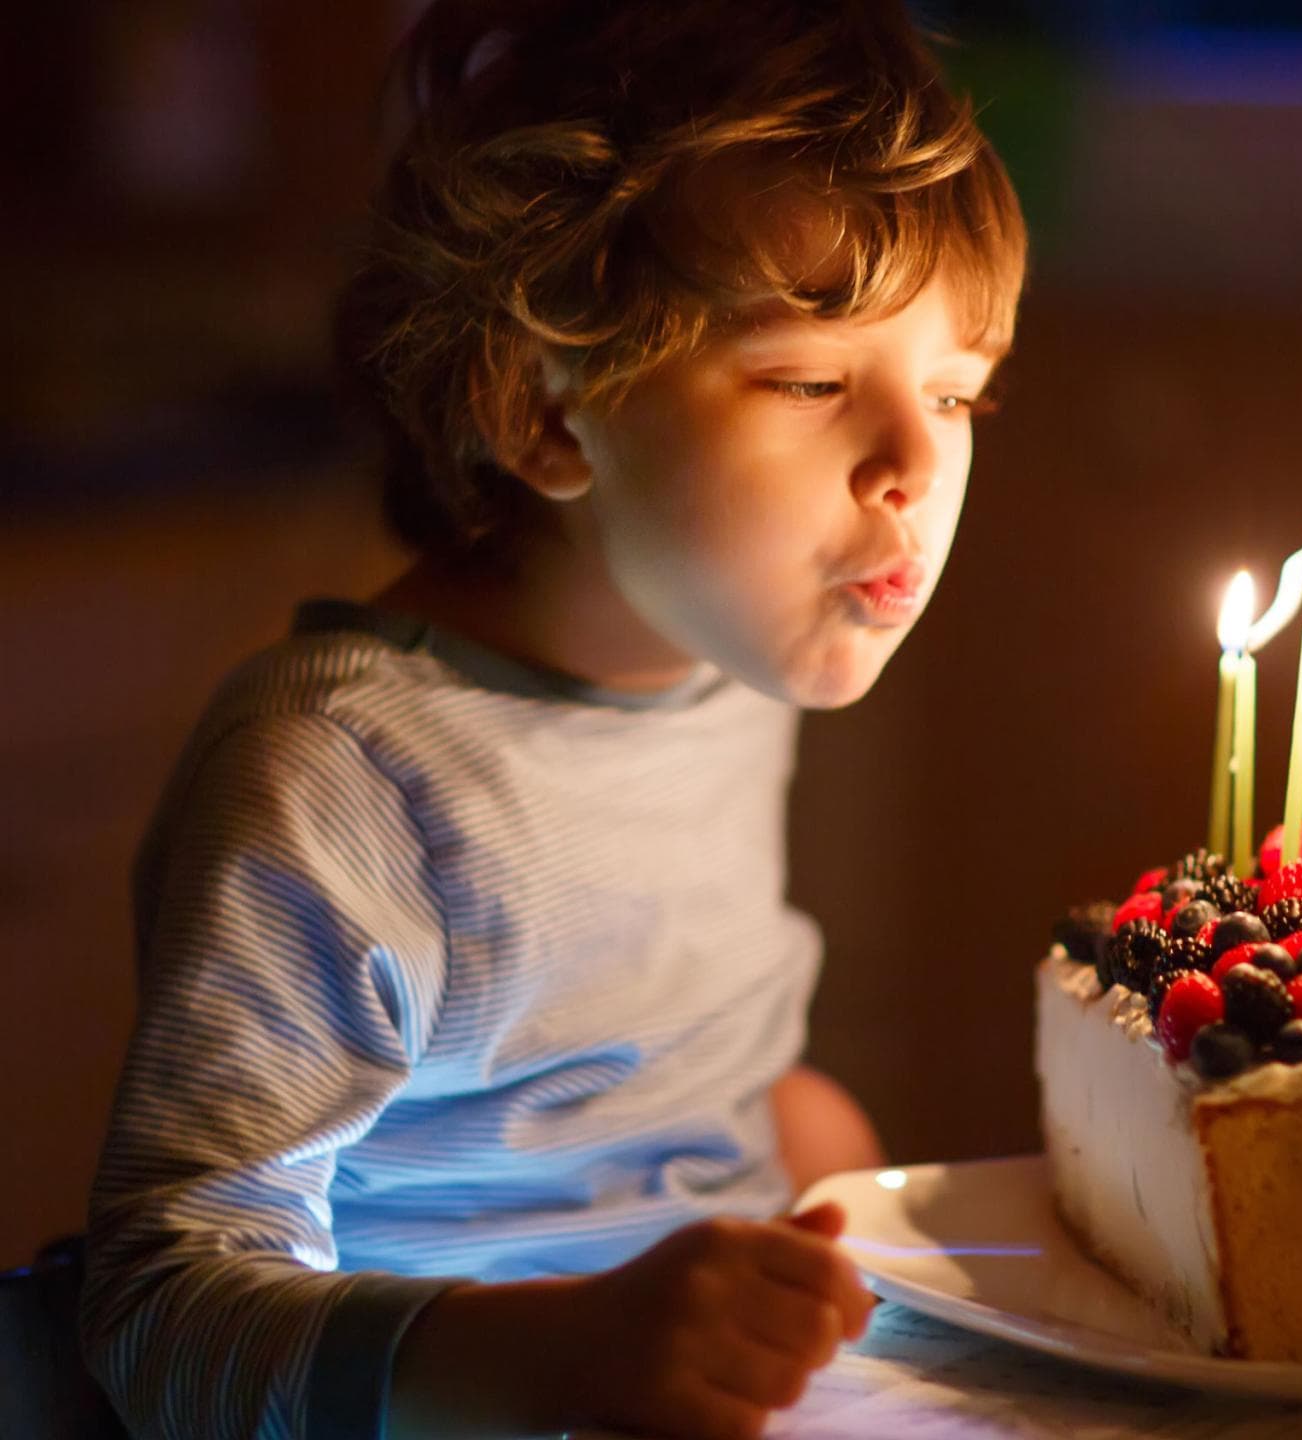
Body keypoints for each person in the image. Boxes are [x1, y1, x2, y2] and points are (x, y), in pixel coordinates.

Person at [78, 1, 1026, 1436]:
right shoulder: (344, 777)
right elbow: (159, 1323)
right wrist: (556, 1353)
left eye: (957, 394)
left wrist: (775, 1133)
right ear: (547, 414)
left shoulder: (722, 673)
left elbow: (599, 1079)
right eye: (812, 381)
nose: (911, 464)